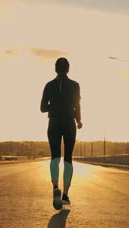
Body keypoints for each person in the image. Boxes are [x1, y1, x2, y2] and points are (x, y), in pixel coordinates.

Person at [40, 57, 82, 210]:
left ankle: (55, 187)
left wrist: (54, 106)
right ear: (68, 69)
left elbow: (43, 108)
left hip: (54, 123)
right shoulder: (75, 85)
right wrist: (79, 120)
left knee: (55, 156)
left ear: (55, 69)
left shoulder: (49, 86)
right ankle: (65, 195)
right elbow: (77, 105)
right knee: (68, 159)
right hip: (69, 123)